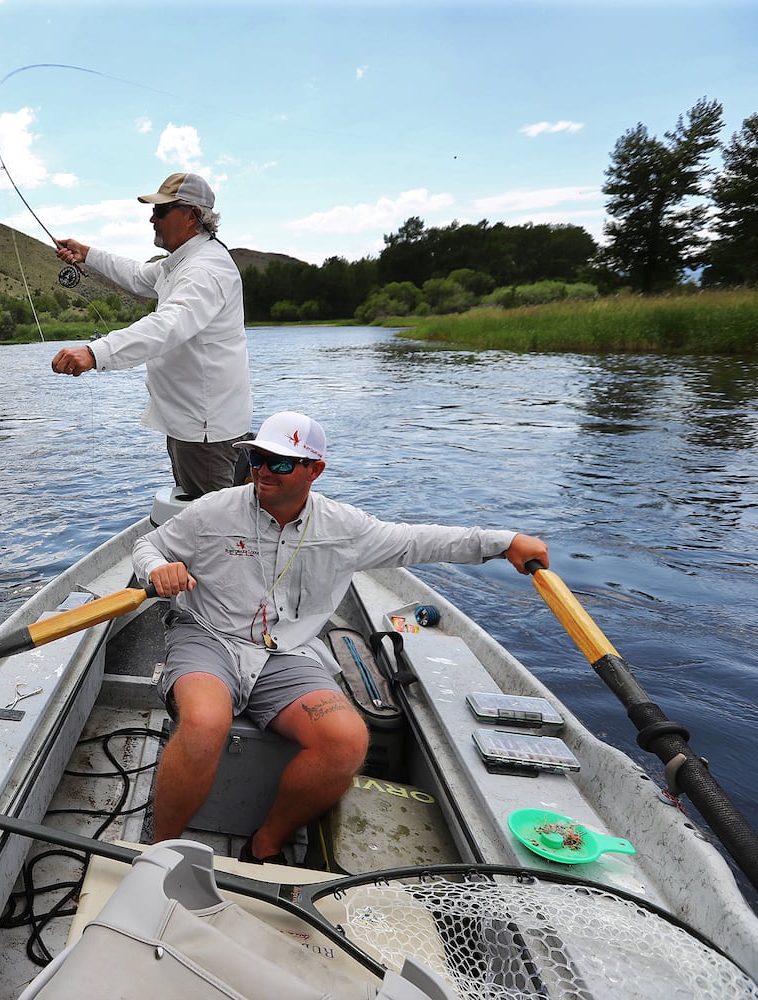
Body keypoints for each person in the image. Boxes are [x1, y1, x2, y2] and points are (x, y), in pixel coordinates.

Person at [134, 410, 549, 863]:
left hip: (286, 649)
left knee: (346, 741)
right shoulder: (214, 509)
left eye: (280, 463)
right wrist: (159, 568)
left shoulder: (343, 527)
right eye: (256, 460)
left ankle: (266, 843)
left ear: (315, 470)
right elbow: (150, 545)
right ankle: (159, 853)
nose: (263, 472)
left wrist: (503, 541)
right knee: (204, 723)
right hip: (209, 634)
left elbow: (419, 541)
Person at [49, 172, 251, 498]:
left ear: (192, 216)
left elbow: (166, 326)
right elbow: (138, 274)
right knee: (207, 521)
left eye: (161, 211)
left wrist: (95, 353)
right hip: (195, 428)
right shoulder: (183, 263)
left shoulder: (205, 270)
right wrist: (87, 253)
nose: (152, 218)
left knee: (215, 533)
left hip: (206, 437)